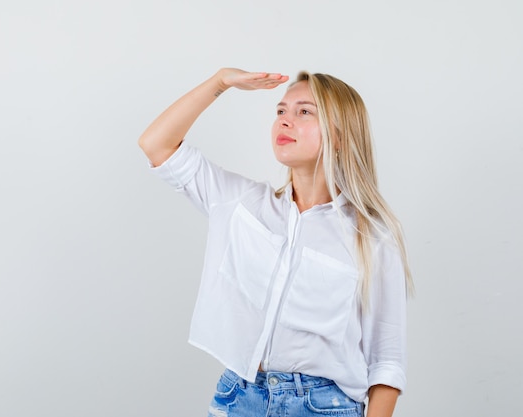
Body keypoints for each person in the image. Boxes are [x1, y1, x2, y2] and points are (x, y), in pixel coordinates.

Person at [138, 68, 413, 417]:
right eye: (281, 111)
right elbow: (156, 144)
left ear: (341, 135)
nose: (285, 121)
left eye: (304, 112)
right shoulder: (240, 203)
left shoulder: (372, 237)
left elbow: (386, 362)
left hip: (323, 408)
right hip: (239, 399)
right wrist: (220, 83)